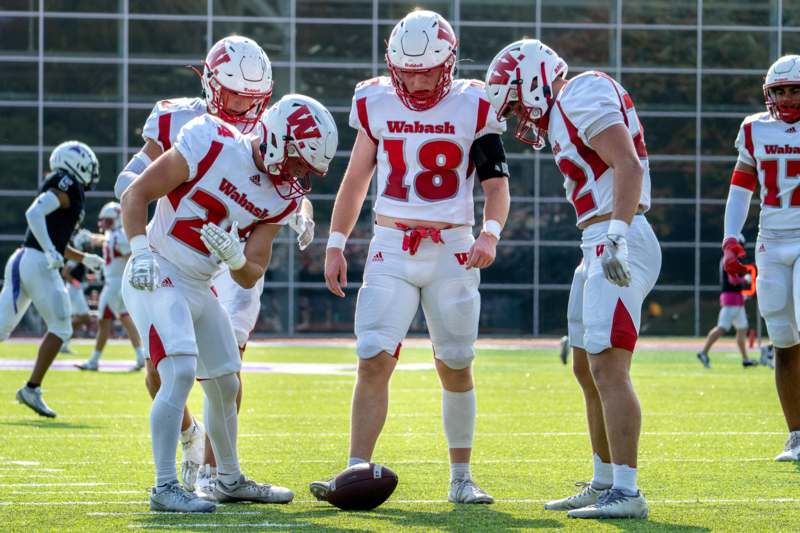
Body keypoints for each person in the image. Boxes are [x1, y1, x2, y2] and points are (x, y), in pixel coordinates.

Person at [312, 9, 510, 505]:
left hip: (453, 250)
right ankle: (356, 468)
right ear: (391, 66)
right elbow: (356, 179)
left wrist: (490, 234)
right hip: (391, 245)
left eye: (426, 70)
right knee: (372, 357)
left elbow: (496, 184)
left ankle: (461, 478)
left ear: (448, 63)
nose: (417, 80)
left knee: (457, 365)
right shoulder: (375, 98)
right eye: (408, 71)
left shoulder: (474, 103)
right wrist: (335, 241)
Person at [120, 93, 336, 512]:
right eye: (297, 163)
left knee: (225, 382)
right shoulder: (211, 140)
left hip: (199, 285)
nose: (297, 176)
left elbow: (252, 269)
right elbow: (135, 194)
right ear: (278, 140)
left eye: (306, 170)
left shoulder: (282, 198)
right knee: (179, 371)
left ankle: (228, 479)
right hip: (159, 267)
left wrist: (236, 258)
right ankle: (165, 487)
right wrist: (140, 251)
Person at [485, 39, 661, 518]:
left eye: (518, 100)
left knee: (609, 368)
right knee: (586, 368)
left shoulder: (579, 93)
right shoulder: (566, 107)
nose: (521, 113)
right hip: (597, 240)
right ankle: (604, 479)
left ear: (536, 80)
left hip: (616, 235)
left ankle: (628, 491)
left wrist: (618, 235)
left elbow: (627, 163)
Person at [720, 55, 800, 462]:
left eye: (794, 89)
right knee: (783, 340)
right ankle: (797, 435)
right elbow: (741, 187)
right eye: (780, 90)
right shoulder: (756, 128)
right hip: (771, 239)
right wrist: (731, 238)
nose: (787, 97)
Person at [0, 141, 104, 417]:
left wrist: (84, 258)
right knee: (60, 325)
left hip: (27, 258)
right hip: (35, 260)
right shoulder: (66, 182)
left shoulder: (68, 188)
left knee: (1, 329)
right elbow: (33, 214)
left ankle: (32, 388)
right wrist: (48, 251)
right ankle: (31, 388)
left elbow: (56, 240)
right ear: (76, 163)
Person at [74, 202, 145, 371]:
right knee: (122, 320)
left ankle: (94, 360)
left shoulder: (119, 235)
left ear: (117, 219)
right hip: (116, 284)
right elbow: (106, 240)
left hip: (114, 284)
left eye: (107, 220)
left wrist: (129, 279)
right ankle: (140, 356)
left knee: (105, 321)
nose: (104, 224)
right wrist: (91, 238)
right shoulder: (115, 234)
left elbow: (130, 255)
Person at [697, 235, 756, 368]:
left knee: (742, 328)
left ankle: (745, 359)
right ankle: (703, 352)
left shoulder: (728, 257)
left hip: (736, 300)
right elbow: (733, 280)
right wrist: (745, 280)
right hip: (731, 300)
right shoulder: (730, 258)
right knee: (722, 327)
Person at [60, 258, 91, 354]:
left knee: (80, 318)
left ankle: (64, 343)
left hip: (76, 290)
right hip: (73, 290)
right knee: (84, 317)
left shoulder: (81, 260)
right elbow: (65, 273)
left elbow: (79, 275)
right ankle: (64, 339)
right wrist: (76, 283)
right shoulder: (75, 259)